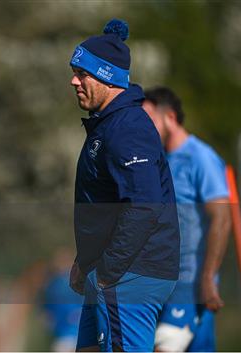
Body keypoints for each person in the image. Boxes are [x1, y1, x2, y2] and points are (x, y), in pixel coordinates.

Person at [68, 19, 180, 352]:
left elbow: (145, 205)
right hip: (109, 273)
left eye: (82, 74)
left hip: (128, 275)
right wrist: (87, 262)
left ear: (106, 76)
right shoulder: (109, 125)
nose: (74, 81)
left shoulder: (126, 129)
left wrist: (107, 272)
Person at [143, 87, 231, 352]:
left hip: (191, 286)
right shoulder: (157, 161)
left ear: (169, 117)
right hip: (161, 285)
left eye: (148, 119)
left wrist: (207, 278)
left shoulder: (200, 157)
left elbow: (222, 219)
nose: (143, 127)